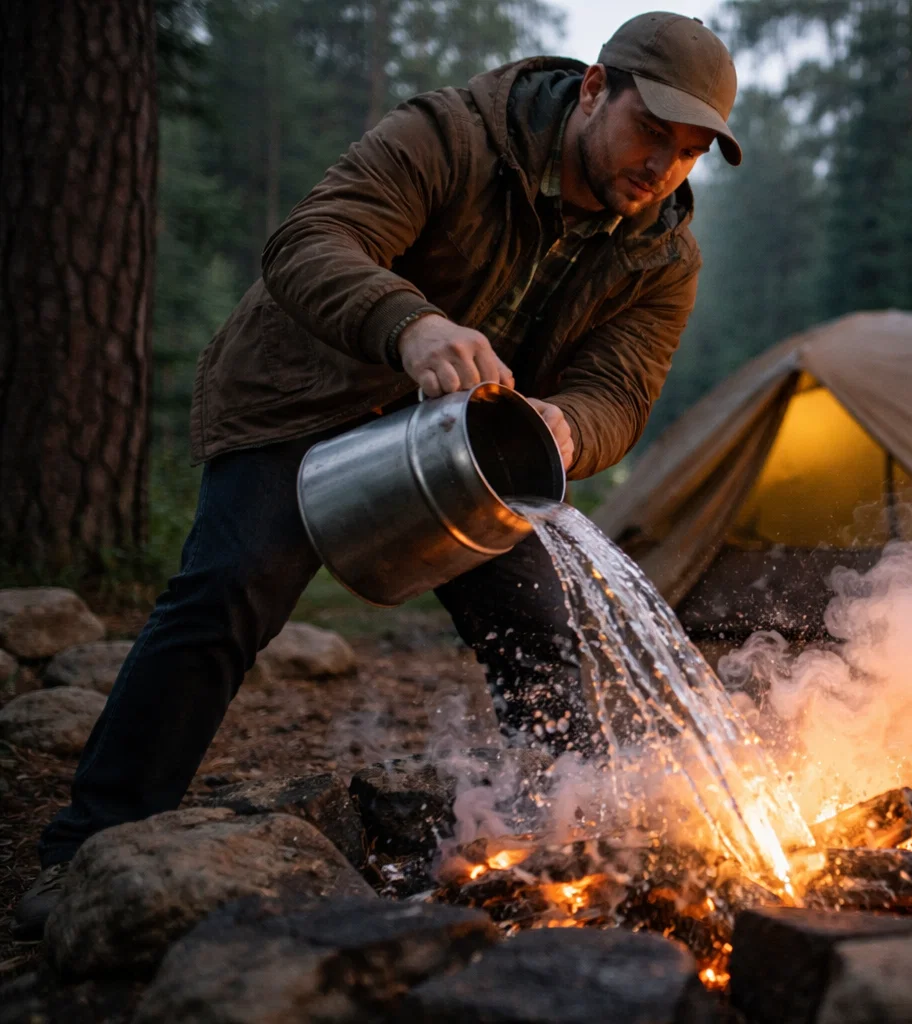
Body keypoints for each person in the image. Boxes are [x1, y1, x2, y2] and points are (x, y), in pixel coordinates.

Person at [11, 11, 740, 939]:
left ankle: (578, 851)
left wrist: (567, 428)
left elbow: (619, 392)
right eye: (652, 134)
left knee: (543, 630)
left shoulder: (661, 252)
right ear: (596, 89)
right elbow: (309, 244)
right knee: (230, 589)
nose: (663, 168)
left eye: (688, 154)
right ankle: (86, 854)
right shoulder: (453, 137)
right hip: (300, 401)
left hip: (466, 453)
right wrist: (411, 324)